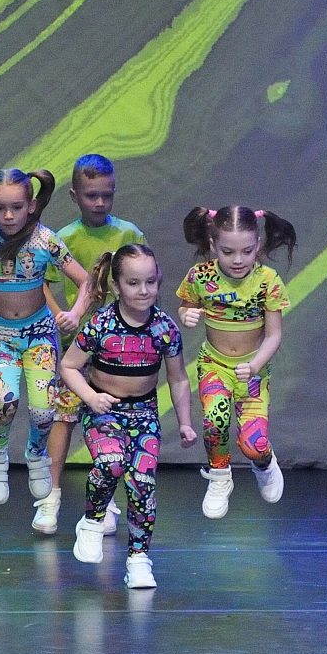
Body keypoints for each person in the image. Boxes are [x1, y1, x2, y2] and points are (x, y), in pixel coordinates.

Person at [0, 168, 92, 529]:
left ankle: (36, 454)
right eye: (0, 208)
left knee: (43, 409)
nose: (8, 215)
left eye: (16, 207)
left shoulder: (46, 240)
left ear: (31, 205)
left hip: (39, 336)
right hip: (1, 336)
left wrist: (75, 313)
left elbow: (85, 280)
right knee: (5, 400)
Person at [58, 245, 197, 589]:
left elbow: (178, 378)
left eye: (150, 282)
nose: (144, 290)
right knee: (111, 463)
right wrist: (91, 397)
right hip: (104, 411)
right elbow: (69, 366)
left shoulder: (164, 328)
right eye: (134, 283)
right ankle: (92, 521)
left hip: (144, 414)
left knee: (142, 484)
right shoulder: (101, 324)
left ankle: (138, 558)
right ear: (117, 286)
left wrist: (184, 422)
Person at [43, 154, 144, 536]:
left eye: (107, 194)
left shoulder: (129, 234)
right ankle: (50, 497)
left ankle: (107, 502)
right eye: (91, 195)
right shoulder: (63, 238)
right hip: (77, 347)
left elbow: (145, 281)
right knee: (64, 416)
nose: (100, 202)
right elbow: (42, 282)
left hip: (119, 350)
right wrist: (60, 314)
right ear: (75, 195)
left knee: (113, 423)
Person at [177, 205, 298, 517]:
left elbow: (274, 335)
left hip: (252, 372)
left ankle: (264, 463)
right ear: (213, 244)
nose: (238, 260)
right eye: (228, 252)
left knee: (252, 444)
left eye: (246, 251)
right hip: (214, 365)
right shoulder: (200, 276)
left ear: (257, 244)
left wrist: (255, 366)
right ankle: (219, 475)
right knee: (214, 420)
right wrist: (186, 314)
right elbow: (186, 304)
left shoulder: (267, 280)